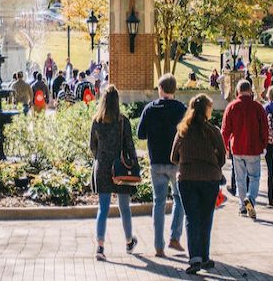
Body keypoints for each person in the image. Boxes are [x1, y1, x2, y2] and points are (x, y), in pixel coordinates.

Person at [170, 94, 225, 275]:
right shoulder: (213, 131)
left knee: (192, 218)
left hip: (187, 179)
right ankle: (205, 256)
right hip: (210, 178)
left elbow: (173, 157)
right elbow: (223, 158)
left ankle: (195, 258)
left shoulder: (182, 132)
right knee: (206, 217)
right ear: (207, 110)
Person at [137, 73, 186, 257]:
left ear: (160, 89)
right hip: (176, 162)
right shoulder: (181, 109)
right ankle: (175, 236)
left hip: (156, 162)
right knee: (179, 199)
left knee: (158, 202)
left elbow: (140, 134)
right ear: (174, 90)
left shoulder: (150, 109)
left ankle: (158, 245)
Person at [90, 85, 138, 261]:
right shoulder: (123, 121)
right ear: (117, 102)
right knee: (124, 207)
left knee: (103, 208)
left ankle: (100, 247)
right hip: (120, 168)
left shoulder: (97, 121)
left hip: (102, 167)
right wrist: (133, 163)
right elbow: (130, 145)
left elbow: (92, 146)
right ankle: (128, 241)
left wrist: (100, 158)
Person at [221, 80, 268, 219]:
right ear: (250, 90)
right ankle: (250, 199)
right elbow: (264, 130)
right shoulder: (258, 107)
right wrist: (264, 145)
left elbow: (225, 130)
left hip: (237, 148)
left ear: (238, 91)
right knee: (254, 177)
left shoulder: (232, 107)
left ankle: (242, 206)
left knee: (240, 179)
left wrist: (225, 147)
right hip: (253, 148)